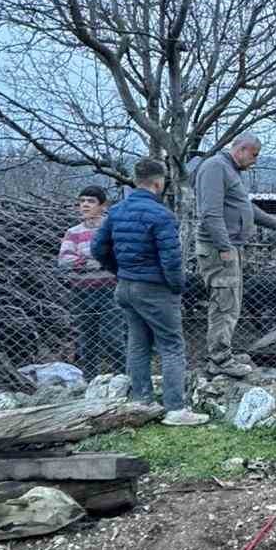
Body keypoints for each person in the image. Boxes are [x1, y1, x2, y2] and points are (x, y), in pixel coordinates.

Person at [91, 158, 207, 427]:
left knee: (138, 344)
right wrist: (177, 286)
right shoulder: (161, 215)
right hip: (155, 289)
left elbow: (97, 248)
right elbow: (171, 259)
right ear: (159, 182)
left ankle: (142, 401)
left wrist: (118, 271)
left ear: (135, 180)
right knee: (172, 346)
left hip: (125, 287)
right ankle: (175, 409)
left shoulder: (117, 211)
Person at [194, 134, 276, 378]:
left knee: (232, 303)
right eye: (254, 155)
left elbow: (245, 207)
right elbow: (210, 213)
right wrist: (224, 247)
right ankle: (219, 359)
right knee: (224, 302)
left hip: (230, 247)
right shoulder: (214, 167)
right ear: (241, 149)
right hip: (219, 248)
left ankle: (223, 351)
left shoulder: (231, 172)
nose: (255, 161)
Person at [57, 185, 125, 379]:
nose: (85, 205)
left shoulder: (112, 230)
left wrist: (96, 260)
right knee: (87, 340)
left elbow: (118, 256)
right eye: (82, 201)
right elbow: (64, 260)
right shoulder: (73, 233)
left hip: (110, 290)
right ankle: (90, 380)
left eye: (91, 201)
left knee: (112, 337)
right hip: (81, 293)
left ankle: (125, 376)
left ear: (103, 206)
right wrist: (92, 261)